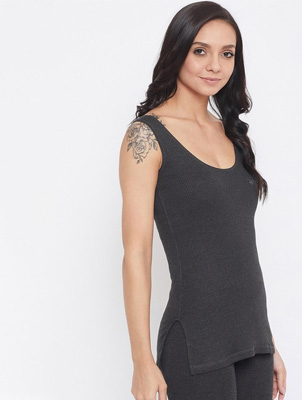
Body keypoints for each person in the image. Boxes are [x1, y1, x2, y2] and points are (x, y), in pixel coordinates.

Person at [119, 1, 287, 399]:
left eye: (227, 54)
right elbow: (136, 252)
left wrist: (269, 341)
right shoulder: (146, 137)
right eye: (200, 51)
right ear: (177, 51)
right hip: (196, 342)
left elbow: (239, 249)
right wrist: (142, 361)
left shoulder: (233, 134)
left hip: (254, 342)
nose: (215, 65)